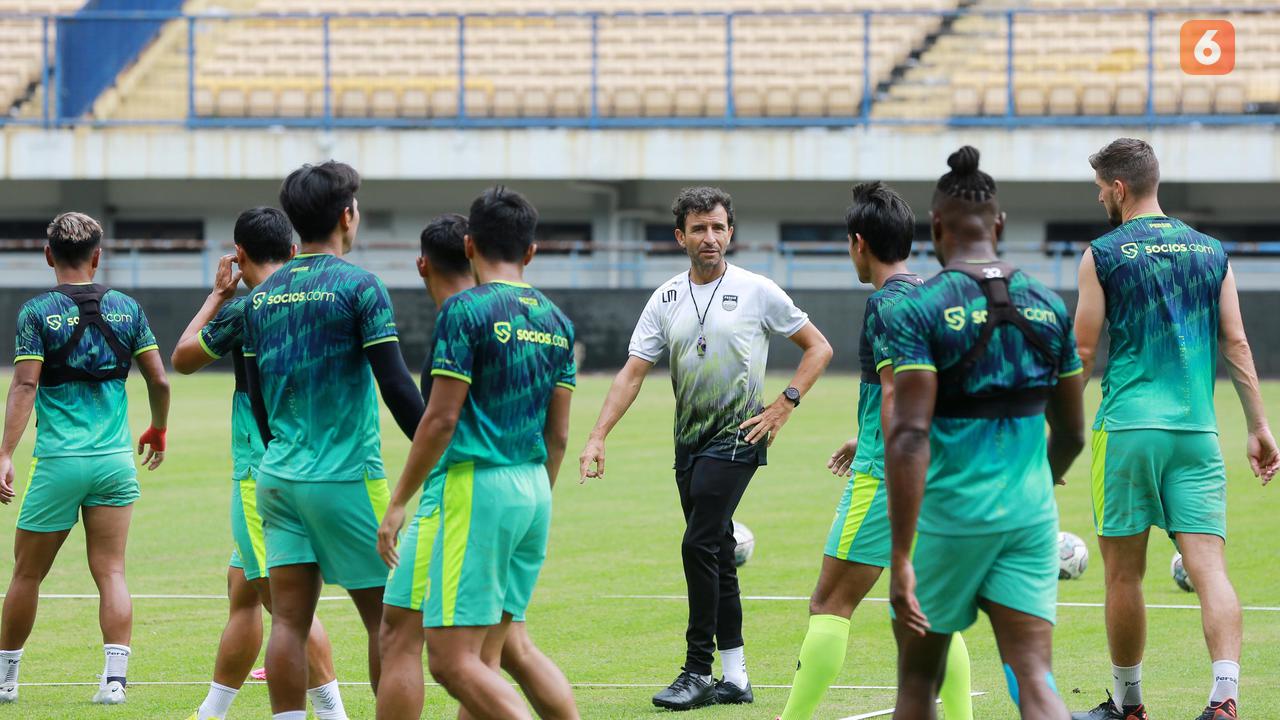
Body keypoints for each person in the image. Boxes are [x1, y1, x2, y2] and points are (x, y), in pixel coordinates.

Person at [579, 186, 833, 711]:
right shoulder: (665, 297)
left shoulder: (758, 290)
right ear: (681, 237)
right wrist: (598, 434)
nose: (710, 237)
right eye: (699, 228)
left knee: (697, 545)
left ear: (730, 233)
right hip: (688, 443)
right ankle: (736, 678)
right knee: (716, 549)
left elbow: (818, 346)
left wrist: (784, 403)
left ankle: (697, 670)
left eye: (718, 227)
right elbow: (632, 373)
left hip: (740, 437)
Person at [1070, 138, 1279, 720]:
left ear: (1117, 189)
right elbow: (1235, 340)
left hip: (1130, 428)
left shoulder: (1103, 254)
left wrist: (1058, 436)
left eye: (1099, 191)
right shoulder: (1212, 252)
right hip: (1197, 432)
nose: (1099, 200)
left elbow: (1083, 352)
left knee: (1123, 574)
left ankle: (1130, 705)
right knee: (1209, 568)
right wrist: (1258, 425)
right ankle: (1224, 698)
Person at [884, 147, 1085, 720]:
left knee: (918, 684)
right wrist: (1037, 483)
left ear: (935, 226)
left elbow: (909, 437)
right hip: (1030, 516)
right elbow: (1071, 431)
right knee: (1035, 677)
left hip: (952, 518)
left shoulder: (921, 308)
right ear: (999, 224)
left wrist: (901, 556)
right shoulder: (1048, 303)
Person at [376, 186, 579, 720]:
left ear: (469, 246)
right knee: (492, 654)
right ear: (531, 251)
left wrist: (397, 502)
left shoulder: (464, 311)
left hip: (475, 486)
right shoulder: (557, 321)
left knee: (450, 662)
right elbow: (559, 435)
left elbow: (441, 418)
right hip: (534, 486)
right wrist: (531, 496)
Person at [776, 182, 971, 720]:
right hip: (941, 470)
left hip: (889, 476)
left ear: (859, 243)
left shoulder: (886, 304)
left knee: (830, 602)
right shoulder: (937, 296)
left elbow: (895, 391)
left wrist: (882, 452)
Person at [241, 162, 425, 720]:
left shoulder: (261, 297)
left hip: (277, 477)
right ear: (348, 215)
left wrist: (285, 449)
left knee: (290, 621)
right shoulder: (360, 287)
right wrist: (438, 449)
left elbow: (257, 401)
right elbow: (395, 384)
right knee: (388, 623)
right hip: (344, 477)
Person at [171, 207, 348, 720]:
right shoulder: (313, 301)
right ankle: (212, 710)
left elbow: (181, 358)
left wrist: (217, 295)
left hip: (260, 474)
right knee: (242, 590)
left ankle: (334, 714)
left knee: (287, 606)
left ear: (239, 255)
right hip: (311, 459)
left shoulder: (246, 308)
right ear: (292, 252)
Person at [0, 212, 170, 706]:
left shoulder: (36, 312)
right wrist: (158, 427)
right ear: (99, 257)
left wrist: (5, 452)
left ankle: (6, 680)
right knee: (112, 572)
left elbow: (26, 383)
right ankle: (114, 681)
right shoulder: (127, 308)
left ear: (48, 255)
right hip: (115, 461)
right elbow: (159, 379)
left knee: (27, 575)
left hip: (59, 462)